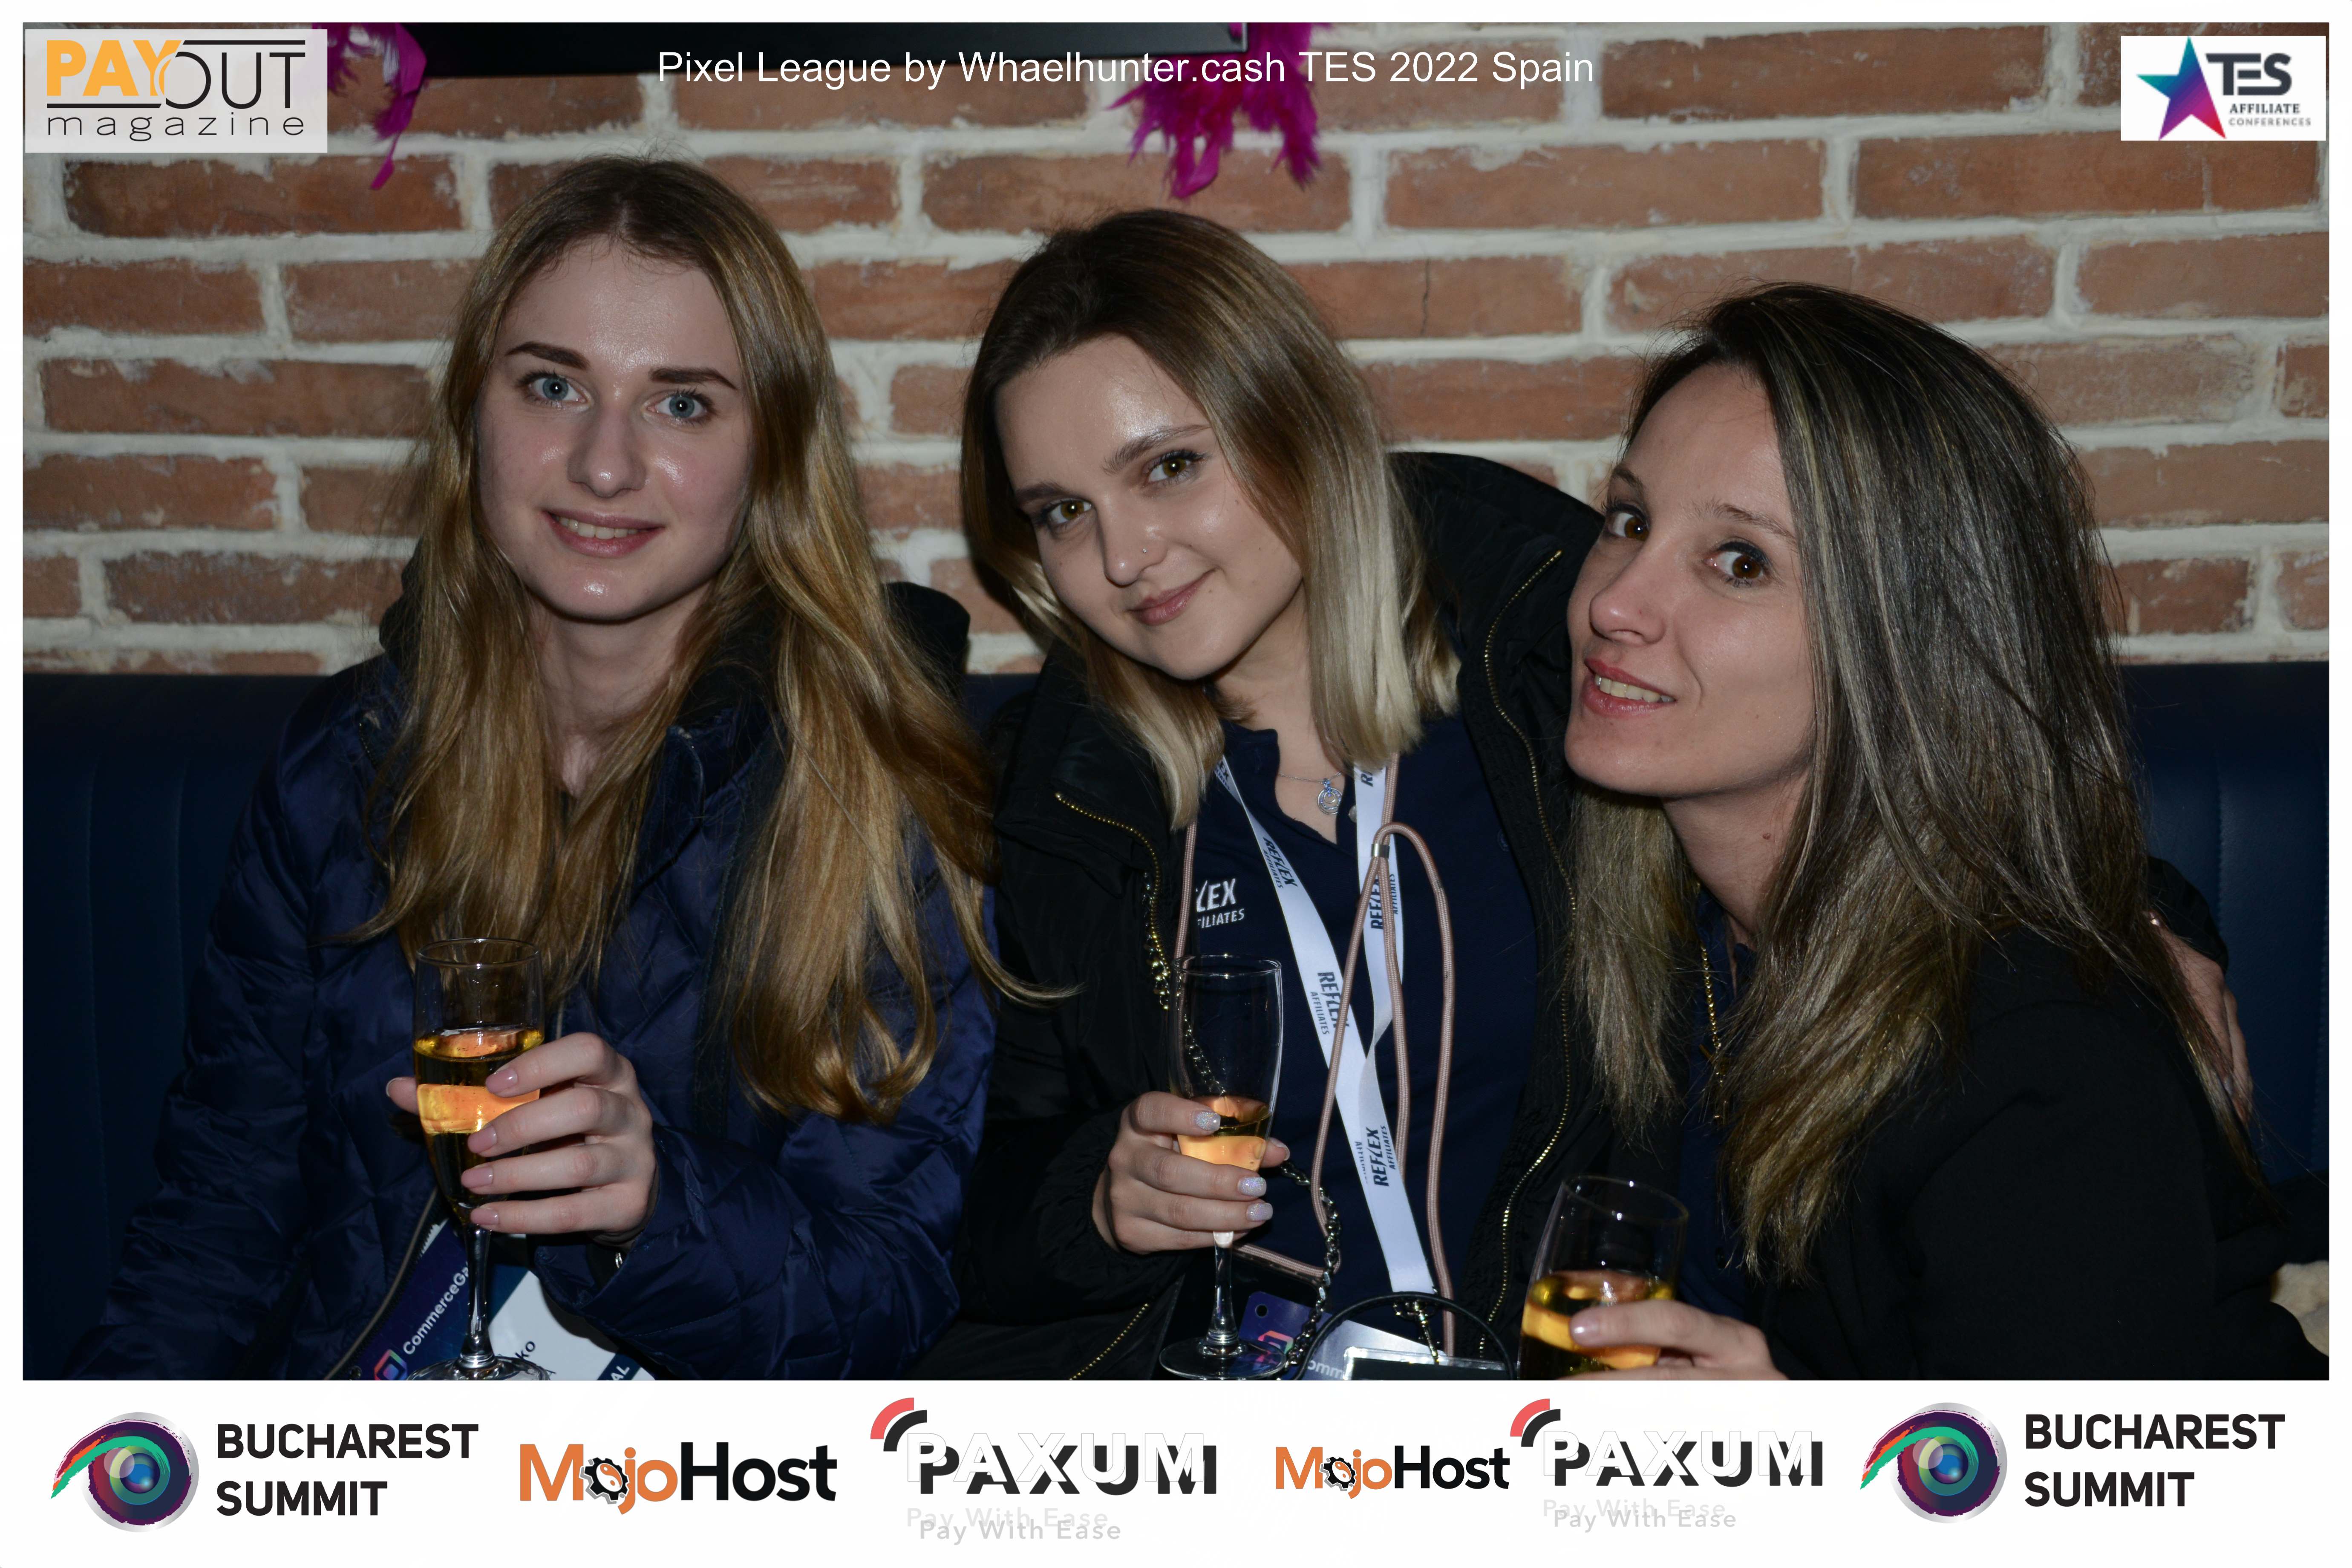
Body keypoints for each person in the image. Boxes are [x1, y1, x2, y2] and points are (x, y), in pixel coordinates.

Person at [69, 157, 1006, 1380]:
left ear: (771, 454)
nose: (603, 464)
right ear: (475, 413)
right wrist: (110, 1464)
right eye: (553, 386)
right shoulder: (349, 762)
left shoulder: (872, 793)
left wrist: (655, 1209)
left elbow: (888, 1293)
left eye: (682, 404)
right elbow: (217, 1217)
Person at [1547, 285, 2322, 1378]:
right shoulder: (1671, 914)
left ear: (1905, 641)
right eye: (1630, 520)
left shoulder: (2039, 1065)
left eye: (1740, 562)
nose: (1615, 602)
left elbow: (2093, 1470)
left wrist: (1804, 1449)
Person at [914, 209, 1619, 1378]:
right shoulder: (1059, 801)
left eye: (1169, 467)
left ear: (1298, 422)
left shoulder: (1549, 696)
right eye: (1064, 513)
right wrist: (1095, 1200)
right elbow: (946, 1194)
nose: (1124, 558)